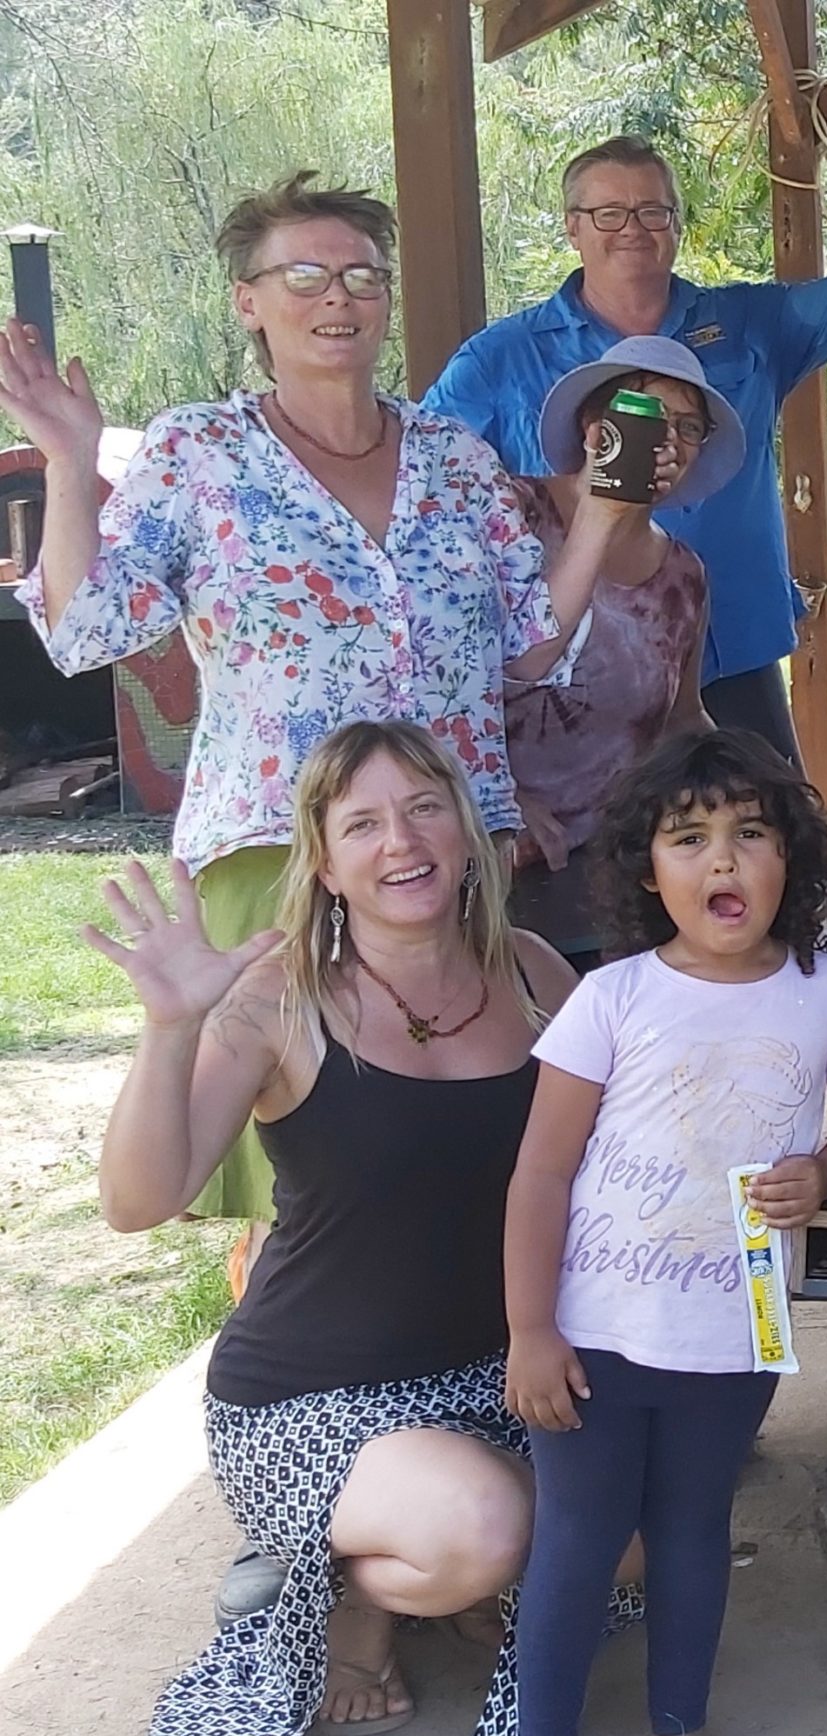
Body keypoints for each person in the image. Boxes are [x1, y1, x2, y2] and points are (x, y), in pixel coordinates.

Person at [0, 171, 640, 1232]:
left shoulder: (455, 458)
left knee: (456, 1150)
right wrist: (70, 462)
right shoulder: (198, 453)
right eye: (304, 274)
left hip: (444, 851)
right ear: (248, 300)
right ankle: (295, 1379)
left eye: (360, 276)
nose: (337, 297)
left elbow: (528, 654)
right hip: (279, 851)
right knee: (292, 1184)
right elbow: (87, 629)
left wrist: (604, 524)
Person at [84, 721, 582, 1736]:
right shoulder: (278, 1000)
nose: (399, 842)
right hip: (308, 1398)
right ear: (322, 857)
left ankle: (426, 1573)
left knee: (637, 1534)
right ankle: (353, 1600)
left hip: (490, 1375)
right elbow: (137, 1203)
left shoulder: (535, 974)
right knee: (490, 1531)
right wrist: (173, 1027)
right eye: (362, 822)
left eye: (423, 808)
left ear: (466, 828)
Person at [502, 728, 827, 1736]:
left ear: (794, 860)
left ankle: (679, 1731)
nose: (722, 863)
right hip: (595, 1335)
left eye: (749, 835)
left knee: (691, 1532)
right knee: (577, 1545)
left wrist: (826, 1171)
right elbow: (539, 1172)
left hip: (736, 1332)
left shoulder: (823, 993)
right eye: (690, 841)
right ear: (647, 870)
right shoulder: (611, 997)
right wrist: (531, 1330)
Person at [426, 86, 827, 762]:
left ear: (676, 223)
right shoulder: (501, 358)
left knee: (771, 840)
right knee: (597, 857)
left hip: (732, 654)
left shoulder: (750, 324)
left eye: (652, 210)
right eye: (608, 212)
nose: (632, 228)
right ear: (571, 226)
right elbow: (431, 489)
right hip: (573, 669)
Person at [505, 336, 745, 960]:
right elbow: (436, 681)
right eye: (649, 416)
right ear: (594, 427)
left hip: (611, 866)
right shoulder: (511, 512)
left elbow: (681, 720)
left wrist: (748, 798)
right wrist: (494, 792)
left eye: (690, 427)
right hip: (489, 861)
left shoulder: (685, 576)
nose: (669, 439)